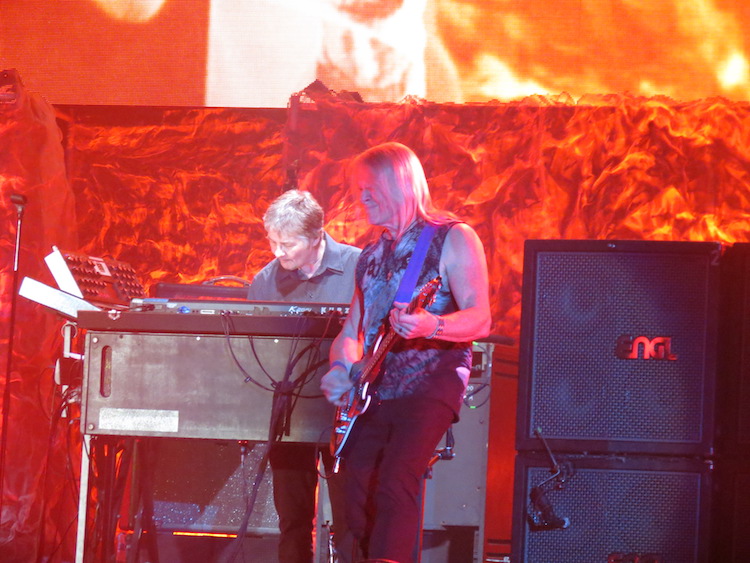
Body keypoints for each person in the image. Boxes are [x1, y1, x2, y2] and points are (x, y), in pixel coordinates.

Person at [320, 142, 491, 562]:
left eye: (370, 189)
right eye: (358, 190)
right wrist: (341, 367)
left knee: (397, 479)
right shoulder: (371, 256)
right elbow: (351, 330)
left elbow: (481, 318)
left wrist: (434, 325)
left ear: (400, 183)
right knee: (356, 487)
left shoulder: (453, 237)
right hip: (376, 389)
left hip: (431, 380)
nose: (361, 199)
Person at [247, 189, 361, 563]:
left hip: (347, 413)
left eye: (288, 243)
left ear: (316, 236)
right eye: (273, 242)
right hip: (290, 416)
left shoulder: (360, 267)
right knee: (292, 520)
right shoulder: (265, 281)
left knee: (352, 519)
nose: (278, 252)